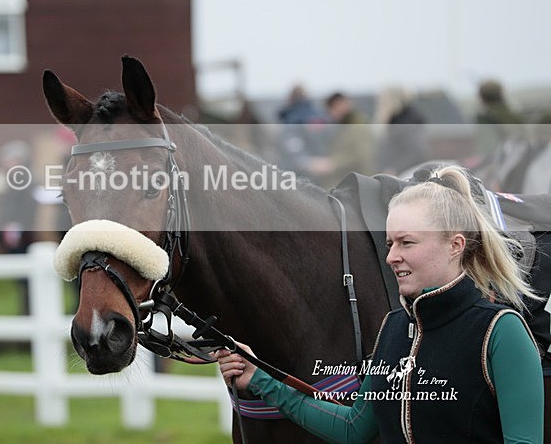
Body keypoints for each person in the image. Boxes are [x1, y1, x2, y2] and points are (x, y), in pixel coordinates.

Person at [217, 165, 543, 442]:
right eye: (389, 243)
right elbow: (352, 428)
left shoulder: (501, 332)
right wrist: (259, 378)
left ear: (455, 245)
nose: (391, 257)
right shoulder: (393, 329)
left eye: (407, 242)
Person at [307, 92, 374, 188]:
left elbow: (363, 157)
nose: (331, 113)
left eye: (332, 108)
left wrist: (332, 164)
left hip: (353, 187)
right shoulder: (343, 127)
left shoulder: (358, 127)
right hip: (344, 185)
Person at [375, 86, 429, 177]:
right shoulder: (395, 121)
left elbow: (416, 152)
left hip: (405, 176)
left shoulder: (408, 123)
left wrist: (395, 169)